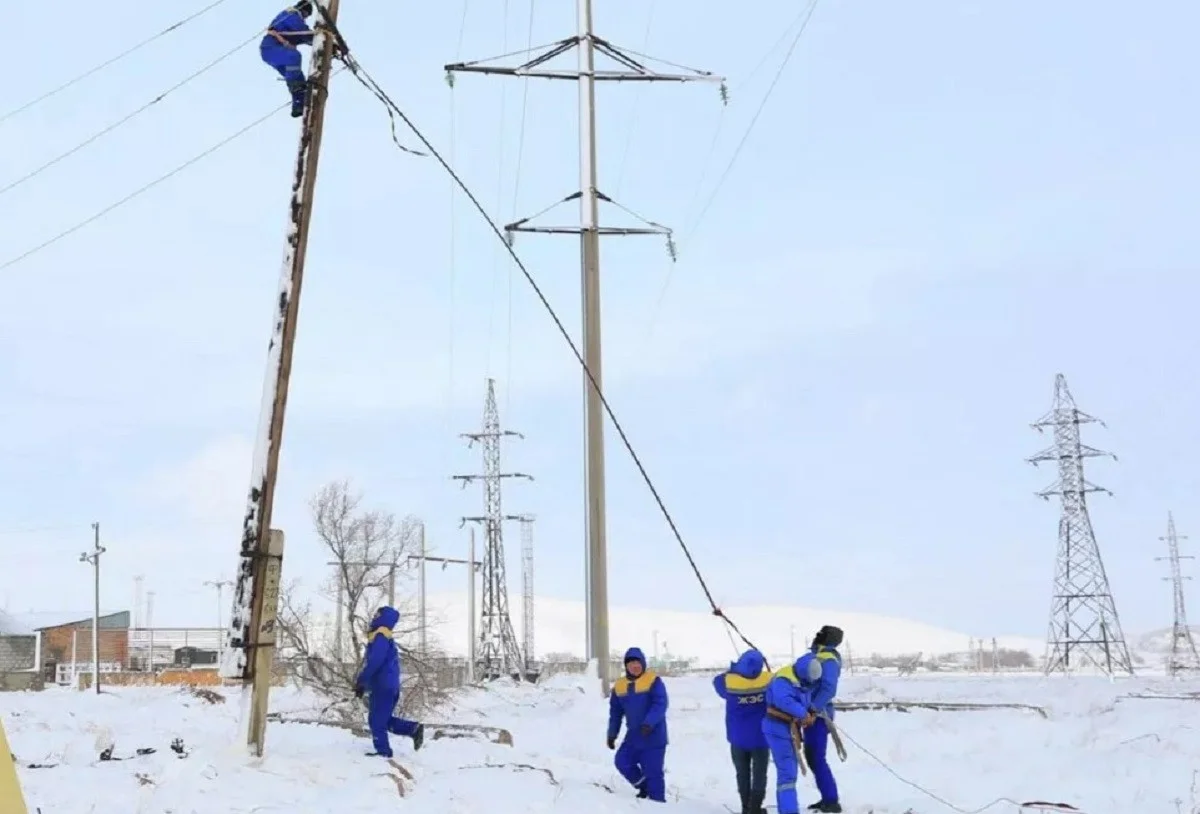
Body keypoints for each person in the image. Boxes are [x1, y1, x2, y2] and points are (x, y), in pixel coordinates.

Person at [354, 605, 425, 758]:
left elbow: (375, 662)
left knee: (376, 722)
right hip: (387, 686)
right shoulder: (384, 637)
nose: (374, 617)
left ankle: (383, 753)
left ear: (383, 618)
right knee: (382, 720)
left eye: (377, 614)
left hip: (383, 686)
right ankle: (412, 729)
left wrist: (361, 681)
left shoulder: (380, 637)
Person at [713, 649, 772, 814]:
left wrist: (734, 669)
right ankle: (755, 808)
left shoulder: (728, 681)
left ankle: (746, 808)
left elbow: (716, 682)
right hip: (761, 737)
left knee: (742, 773)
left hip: (737, 737)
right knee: (760, 774)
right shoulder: (768, 680)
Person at [607, 647, 669, 802]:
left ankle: (658, 805)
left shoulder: (653, 681)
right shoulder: (620, 686)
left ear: (643, 663)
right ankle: (644, 787)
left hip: (654, 736)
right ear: (626, 666)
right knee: (622, 762)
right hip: (634, 736)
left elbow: (660, 703)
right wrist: (612, 733)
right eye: (631, 663)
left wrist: (649, 722)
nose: (635, 666)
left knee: (653, 773)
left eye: (638, 662)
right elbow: (615, 712)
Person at [762, 655, 817, 814]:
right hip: (777, 727)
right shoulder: (783, 680)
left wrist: (811, 709)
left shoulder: (801, 679)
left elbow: (803, 698)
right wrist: (803, 714)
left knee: (788, 772)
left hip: (787, 728)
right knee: (788, 772)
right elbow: (785, 702)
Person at [797, 625, 843, 813]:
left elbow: (829, 688)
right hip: (811, 713)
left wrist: (813, 709)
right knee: (812, 757)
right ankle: (828, 798)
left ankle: (831, 801)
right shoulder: (819, 656)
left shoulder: (828, 659)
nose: (816, 637)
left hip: (818, 715)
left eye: (820, 635)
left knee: (816, 757)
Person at [260, 2, 316, 117]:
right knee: (294, 57)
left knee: (297, 76)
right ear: (304, 11)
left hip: (273, 51)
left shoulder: (291, 19)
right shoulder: (290, 15)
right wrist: (317, 37)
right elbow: (302, 31)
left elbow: (301, 36)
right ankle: (297, 89)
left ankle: (299, 104)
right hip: (271, 48)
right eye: (306, 16)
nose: (305, 19)